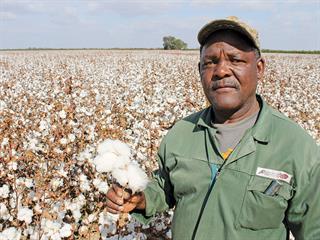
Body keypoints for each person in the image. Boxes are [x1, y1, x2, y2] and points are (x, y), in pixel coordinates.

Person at [106, 16, 320, 239]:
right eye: (210, 62)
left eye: (235, 60)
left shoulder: (296, 147)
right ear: (200, 70)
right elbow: (164, 186)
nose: (221, 71)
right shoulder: (181, 134)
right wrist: (141, 199)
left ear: (259, 68)